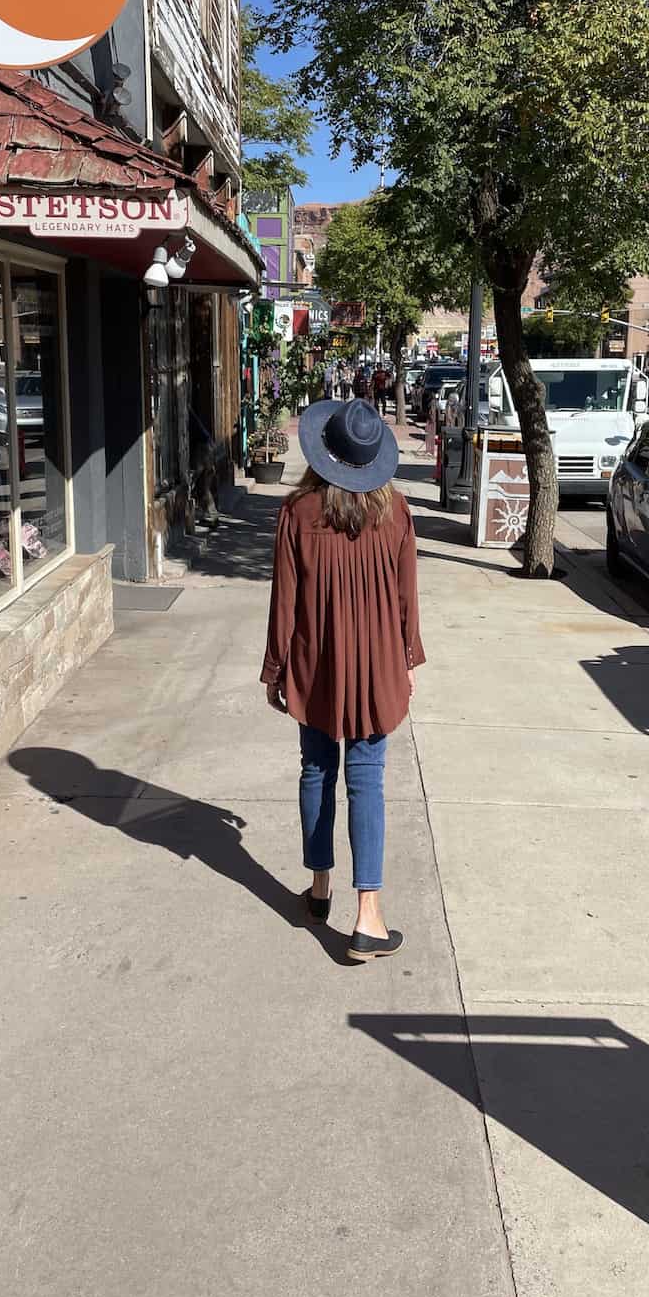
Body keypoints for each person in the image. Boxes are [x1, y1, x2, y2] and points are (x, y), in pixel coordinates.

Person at [261, 397, 424, 962]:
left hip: (317, 661)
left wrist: (275, 669)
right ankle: (369, 916)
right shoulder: (397, 512)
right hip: (377, 663)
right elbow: (406, 600)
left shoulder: (298, 514)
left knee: (315, 769)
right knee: (367, 779)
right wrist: (405, 659)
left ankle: (321, 885)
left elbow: (285, 603)